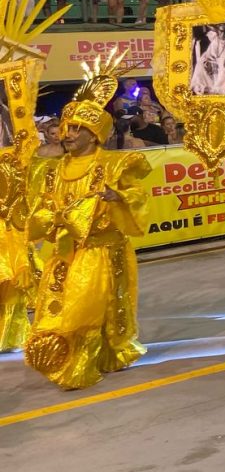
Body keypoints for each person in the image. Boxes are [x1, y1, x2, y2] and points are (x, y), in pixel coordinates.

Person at [24, 54, 151, 389]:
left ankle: (81, 364)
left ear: (95, 134)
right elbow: (42, 209)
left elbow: (139, 198)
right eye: (67, 127)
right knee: (62, 307)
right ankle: (97, 355)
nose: (68, 134)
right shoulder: (53, 170)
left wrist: (117, 197)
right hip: (65, 251)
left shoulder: (114, 165)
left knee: (88, 308)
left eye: (77, 129)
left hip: (101, 250)